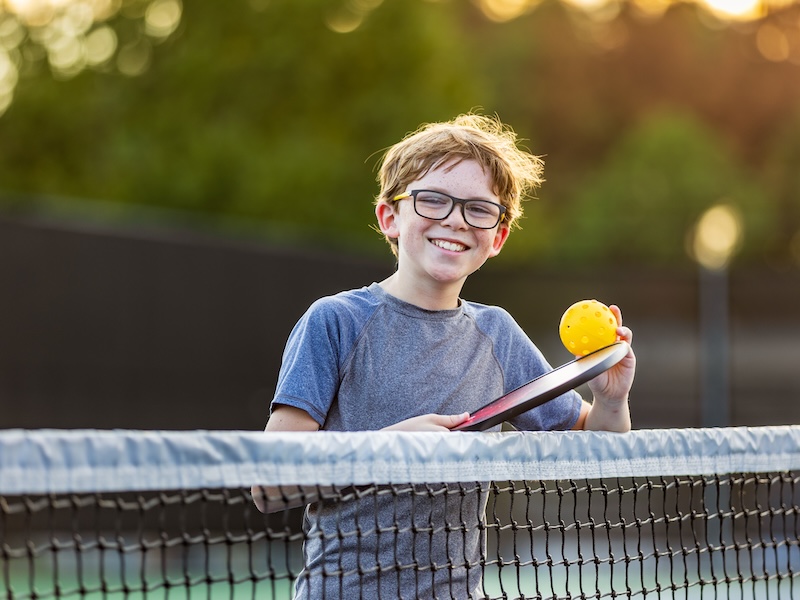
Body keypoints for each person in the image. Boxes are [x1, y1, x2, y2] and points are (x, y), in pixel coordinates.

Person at [253, 113, 636, 598]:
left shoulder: (496, 332)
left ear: (496, 237)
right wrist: (390, 448)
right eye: (433, 199)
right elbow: (269, 486)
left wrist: (610, 398)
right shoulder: (334, 321)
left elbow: (599, 453)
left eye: (479, 209)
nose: (455, 219)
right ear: (390, 217)